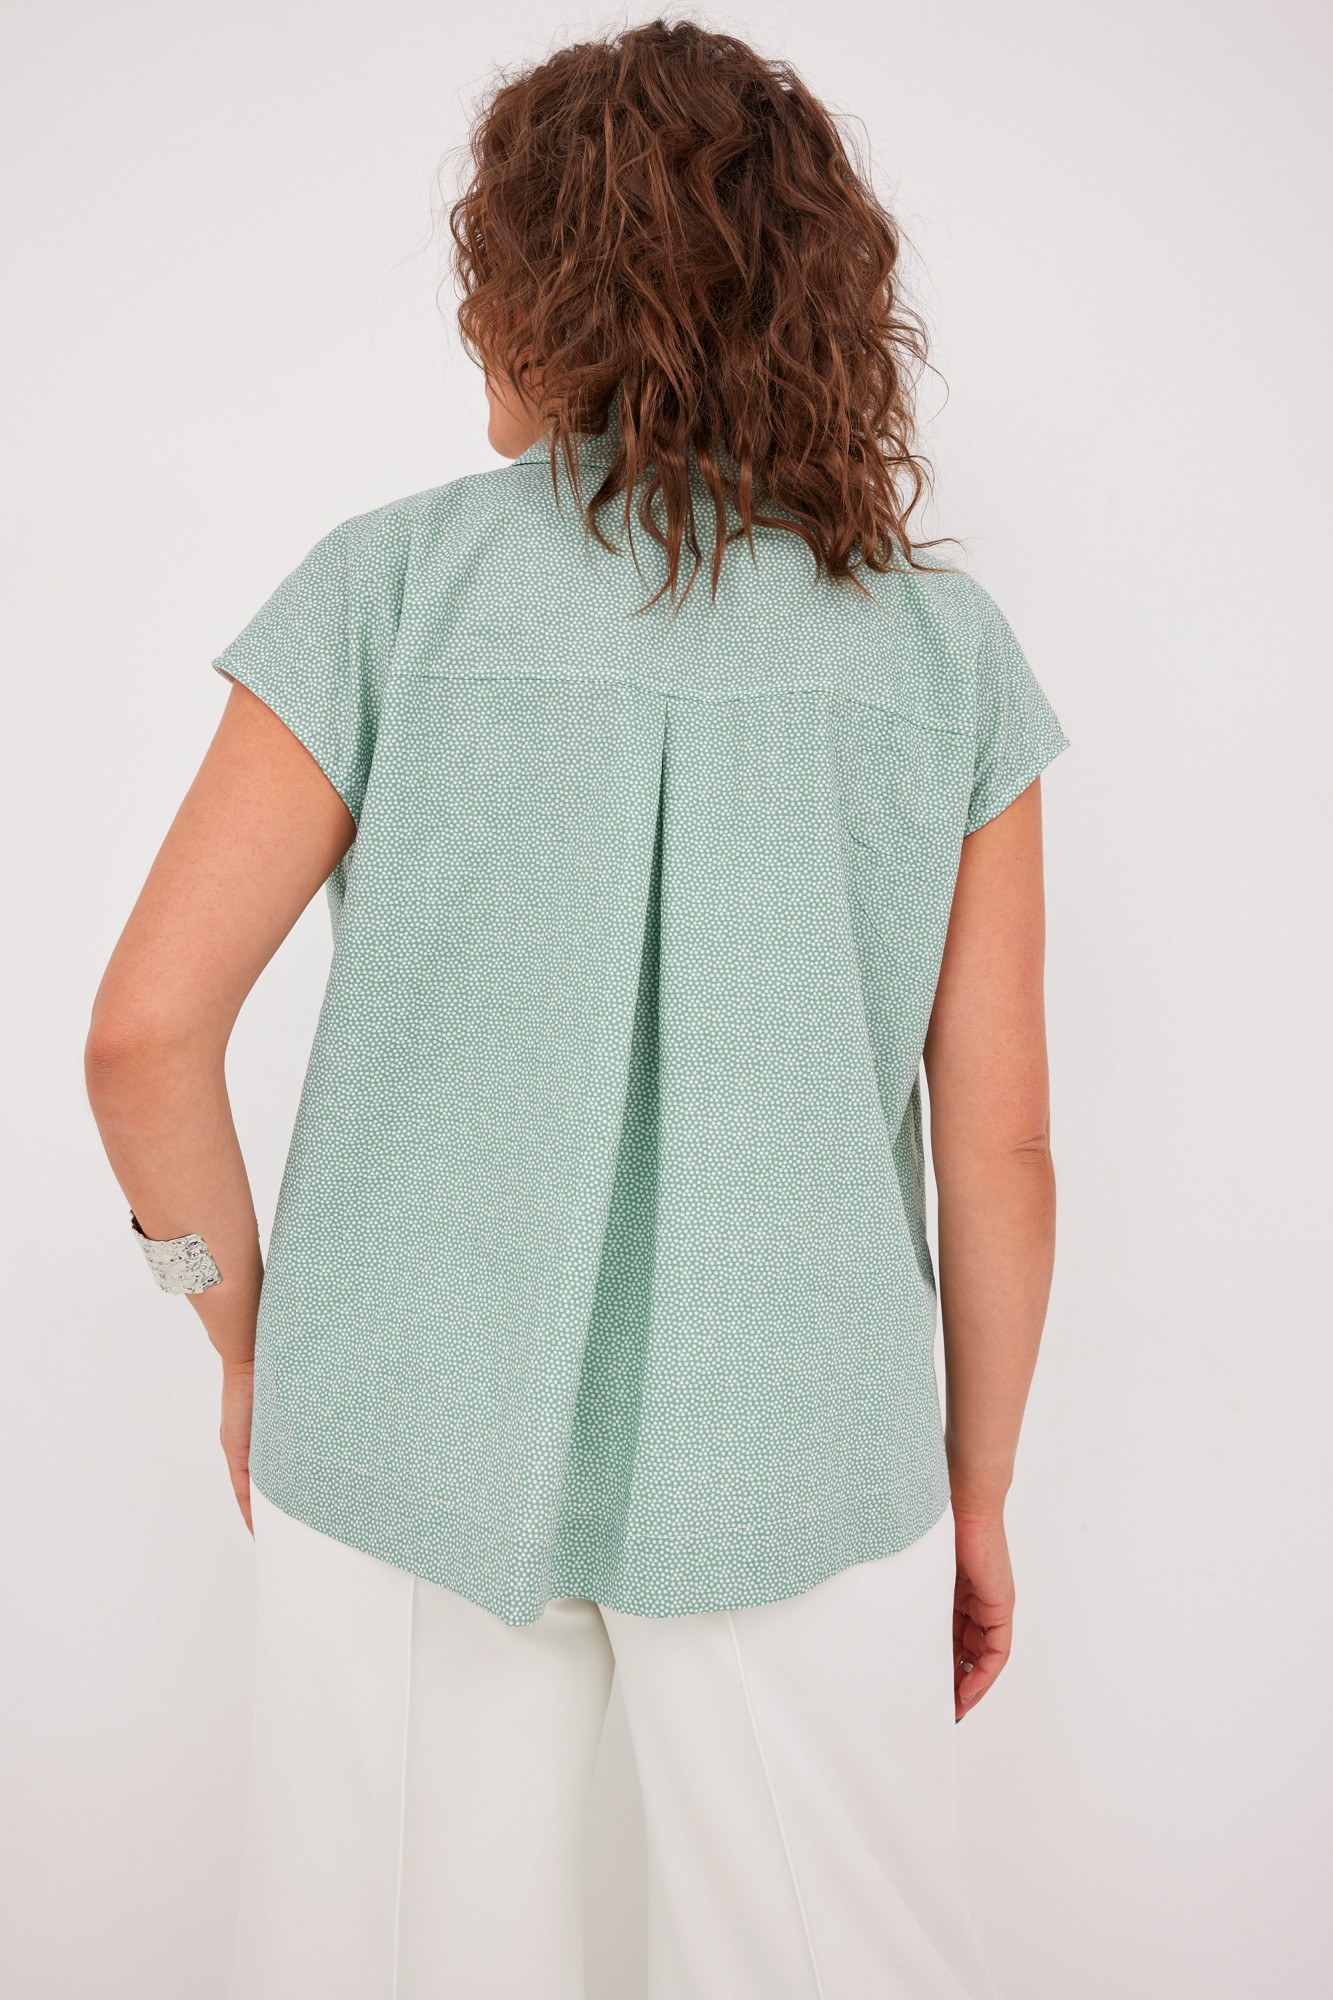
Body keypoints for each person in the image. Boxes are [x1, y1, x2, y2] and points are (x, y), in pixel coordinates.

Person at [85, 18, 1070, 1999]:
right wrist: (973, 1493)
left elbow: (142, 1035)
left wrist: (239, 1333)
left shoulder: (390, 590)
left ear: (540, 287)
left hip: (395, 1415)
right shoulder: (943, 654)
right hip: (807, 1441)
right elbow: (1002, 1147)